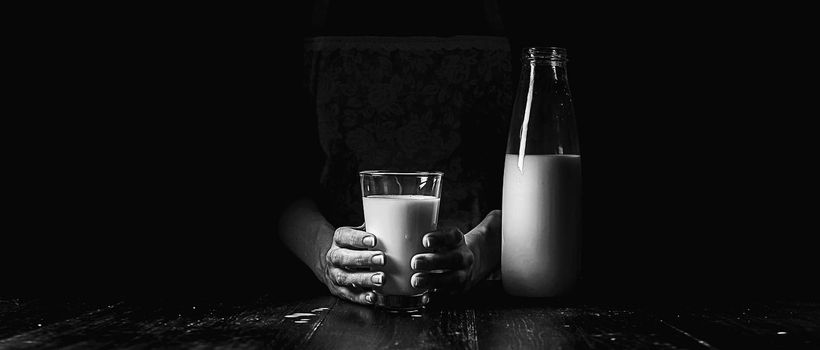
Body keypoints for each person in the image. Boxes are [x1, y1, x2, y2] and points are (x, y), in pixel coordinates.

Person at [277, 0, 513, 305]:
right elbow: (277, 187)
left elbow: (539, 185)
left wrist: (481, 250)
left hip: (487, 293)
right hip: (330, 299)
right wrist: (326, 255)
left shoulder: (511, 13)